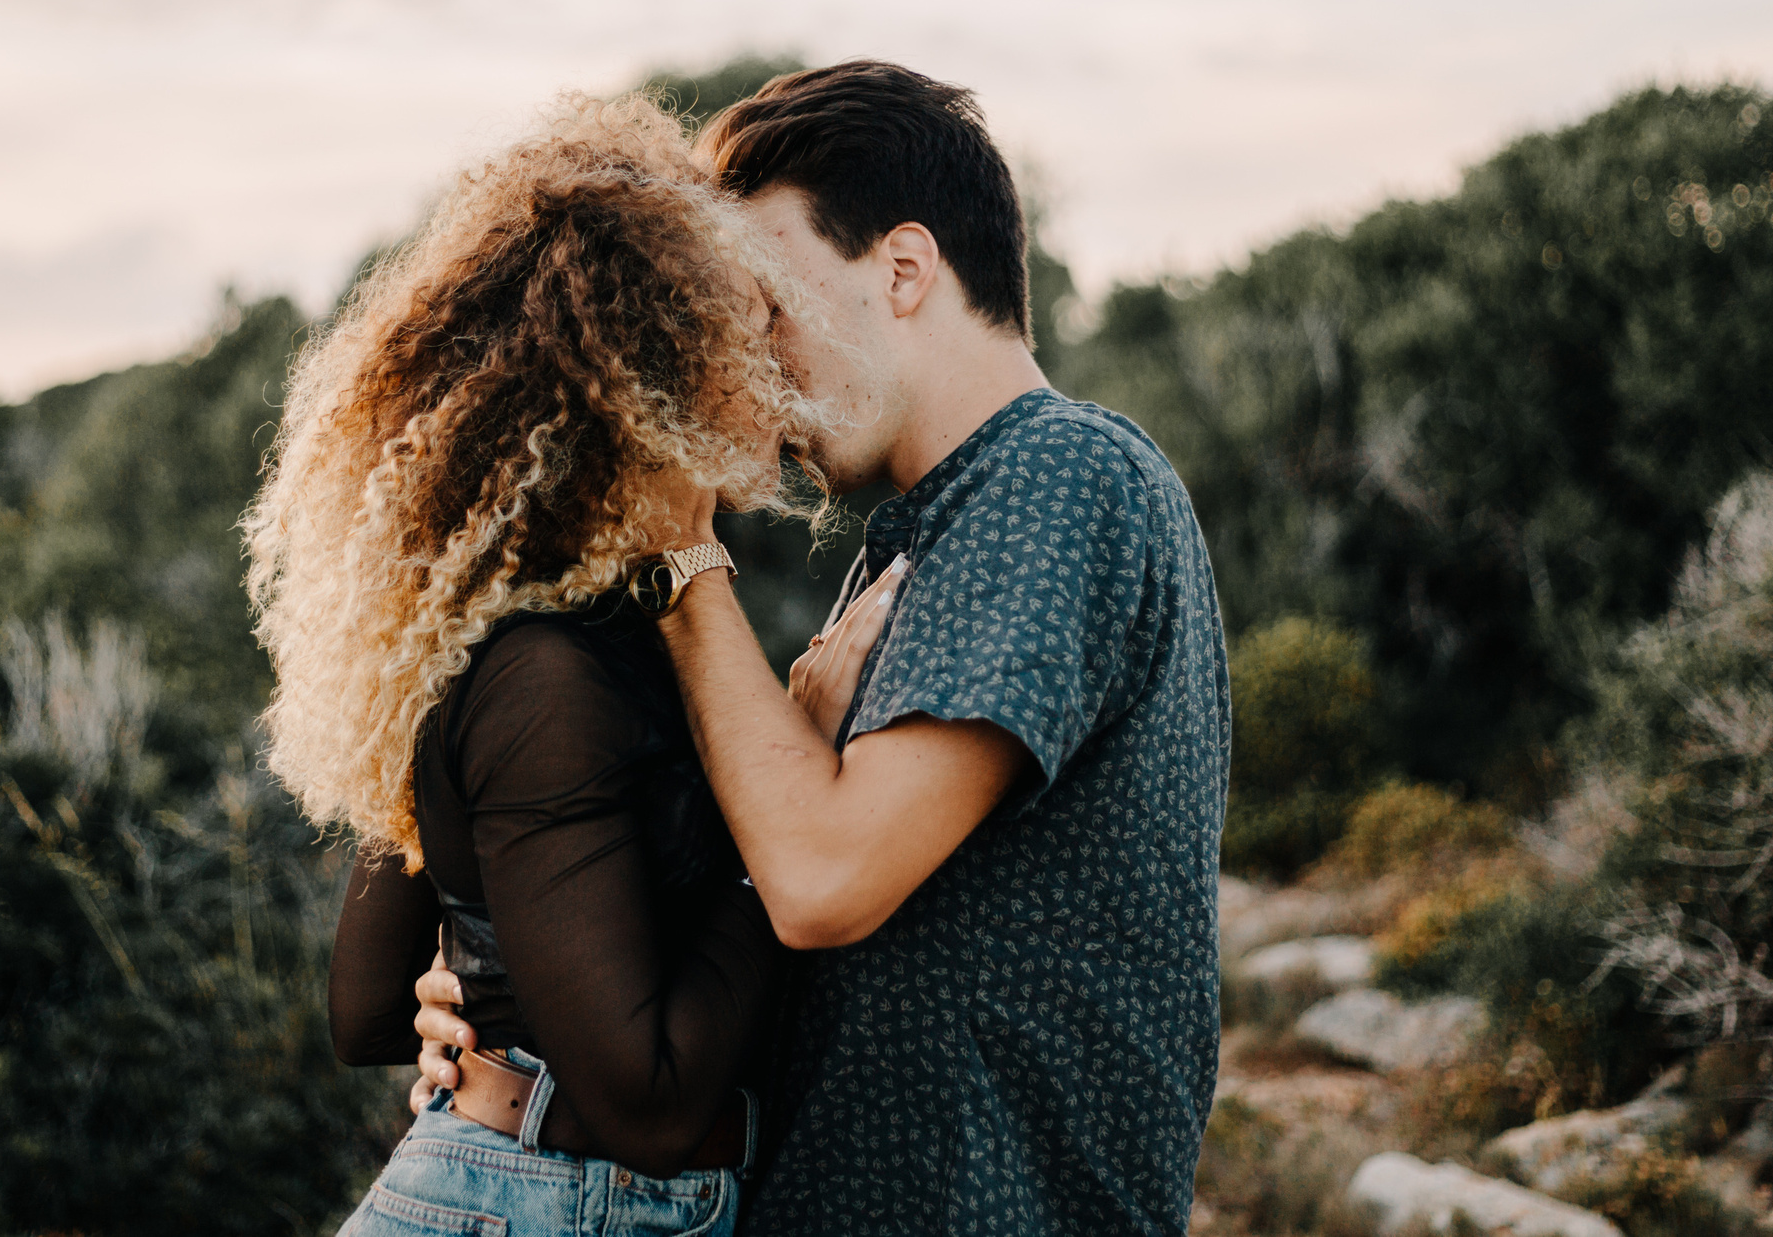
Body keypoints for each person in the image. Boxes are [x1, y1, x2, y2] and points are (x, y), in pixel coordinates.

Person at [412, 61, 1232, 1236]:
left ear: (902, 268)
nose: (745, 359)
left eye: (767, 304)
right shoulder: (927, 534)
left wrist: (684, 561)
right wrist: (512, 1029)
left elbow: (822, 883)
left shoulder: (1058, 475)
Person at [244, 95, 854, 1236]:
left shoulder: (499, 632)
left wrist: (479, 997)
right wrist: (788, 781)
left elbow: (379, 1005)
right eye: (754, 324)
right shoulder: (550, 676)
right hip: (554, 1202)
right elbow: (653, 1109)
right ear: (661, 373)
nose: (785, 359)